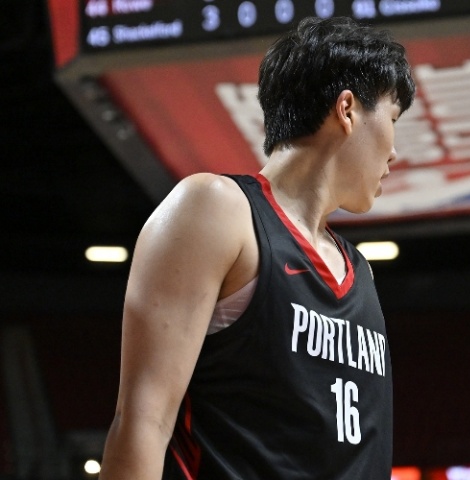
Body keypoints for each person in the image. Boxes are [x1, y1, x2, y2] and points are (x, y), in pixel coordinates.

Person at [99, 16, 415, 480]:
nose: (394, 152)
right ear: (347, 109)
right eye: (392, 119)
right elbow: (143, 423)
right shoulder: (216, 208)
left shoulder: (359, 269)